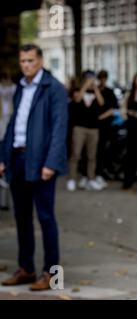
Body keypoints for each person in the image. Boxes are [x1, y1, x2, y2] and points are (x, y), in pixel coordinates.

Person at [0, 44, 68, 290]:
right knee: (21, 218)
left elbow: (60, 129)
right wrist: (3, 157)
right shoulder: (20, 87)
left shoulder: (54, 89)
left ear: (40, 60)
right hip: (17, 160)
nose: (26, 65)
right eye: (22, 61)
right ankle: (26, 268)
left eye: (30, 60)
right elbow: (13, 125)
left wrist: (51, 163)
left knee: (46, 218)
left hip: (41, 163)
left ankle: (52, 274)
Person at [66, 70, 104, 191]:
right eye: (88, 78)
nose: (91, 80)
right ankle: (72, 179)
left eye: (92, 78)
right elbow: (77, 99)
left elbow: (101, 102)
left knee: (92, 156)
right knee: (76, 154)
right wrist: (85, 86)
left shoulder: (96, 91)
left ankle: (91, 179)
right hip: (79, 127)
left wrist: (95, 88)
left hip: (93, 128)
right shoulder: (77, 90)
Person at [96, 70, 119, 188]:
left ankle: (103, 171)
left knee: (103, 149)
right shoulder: (96, 90)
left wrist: (101, 117)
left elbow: (113, 108)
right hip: (95, 125)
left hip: (105, 125)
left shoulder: (109, 92)